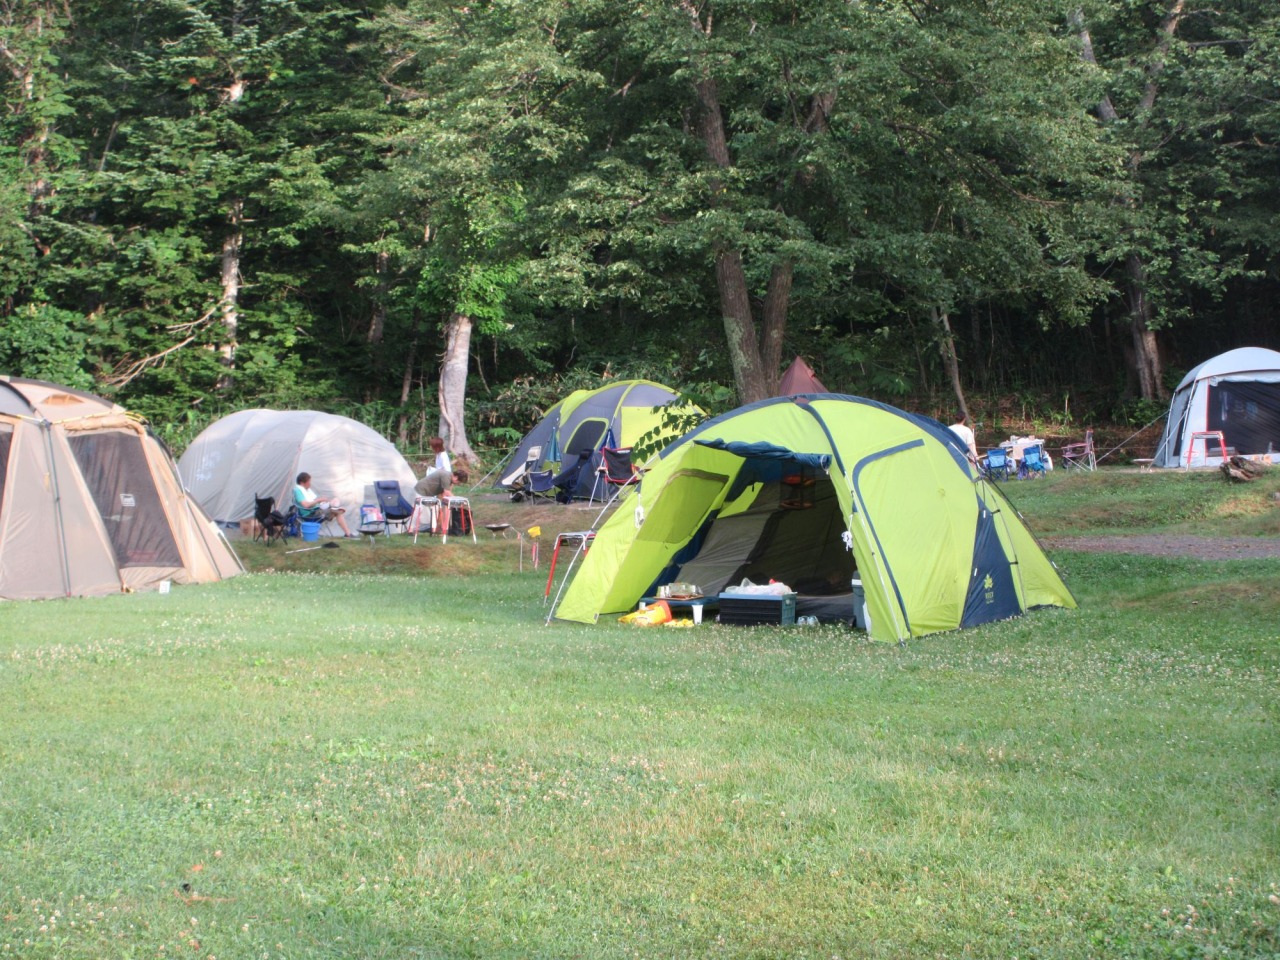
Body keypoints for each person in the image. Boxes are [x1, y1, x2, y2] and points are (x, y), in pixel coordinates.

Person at [292, 471, 358, 538]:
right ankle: (347, 533)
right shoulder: (298, 491)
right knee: (337, 511)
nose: (310, 484)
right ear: (302, 482)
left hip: (315, 511)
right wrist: (319, 500)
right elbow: (305, 505)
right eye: (308, 481)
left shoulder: (306, 490)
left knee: (337, 511)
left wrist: (323, 501)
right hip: (309, 515)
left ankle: (347, 532)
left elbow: (313, 502)